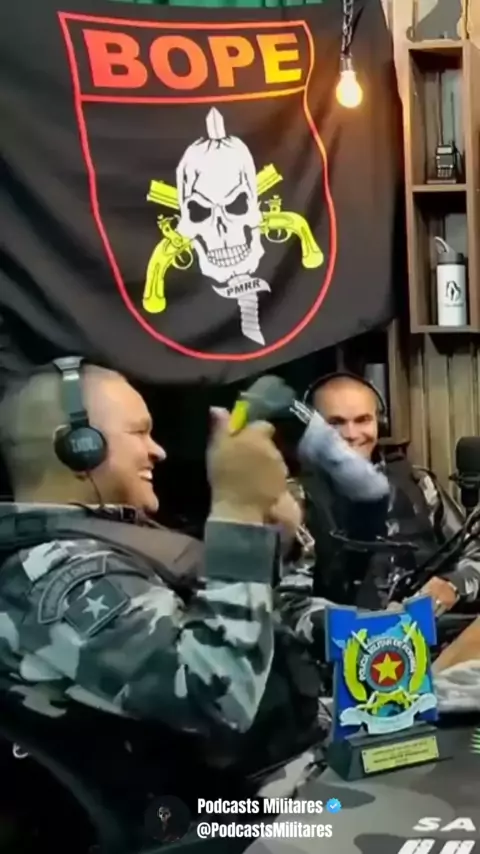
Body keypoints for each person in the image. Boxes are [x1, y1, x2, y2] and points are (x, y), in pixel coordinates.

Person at [298, 371, 480, 616]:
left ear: (380, 422)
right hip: (349, 638)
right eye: (335, 423)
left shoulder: (419, 483)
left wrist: (452, 585)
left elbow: (474, 555)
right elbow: (288, 602)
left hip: (434, 631)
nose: (351, 434)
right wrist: (357, 624)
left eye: (363, 420)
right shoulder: (293, 501)